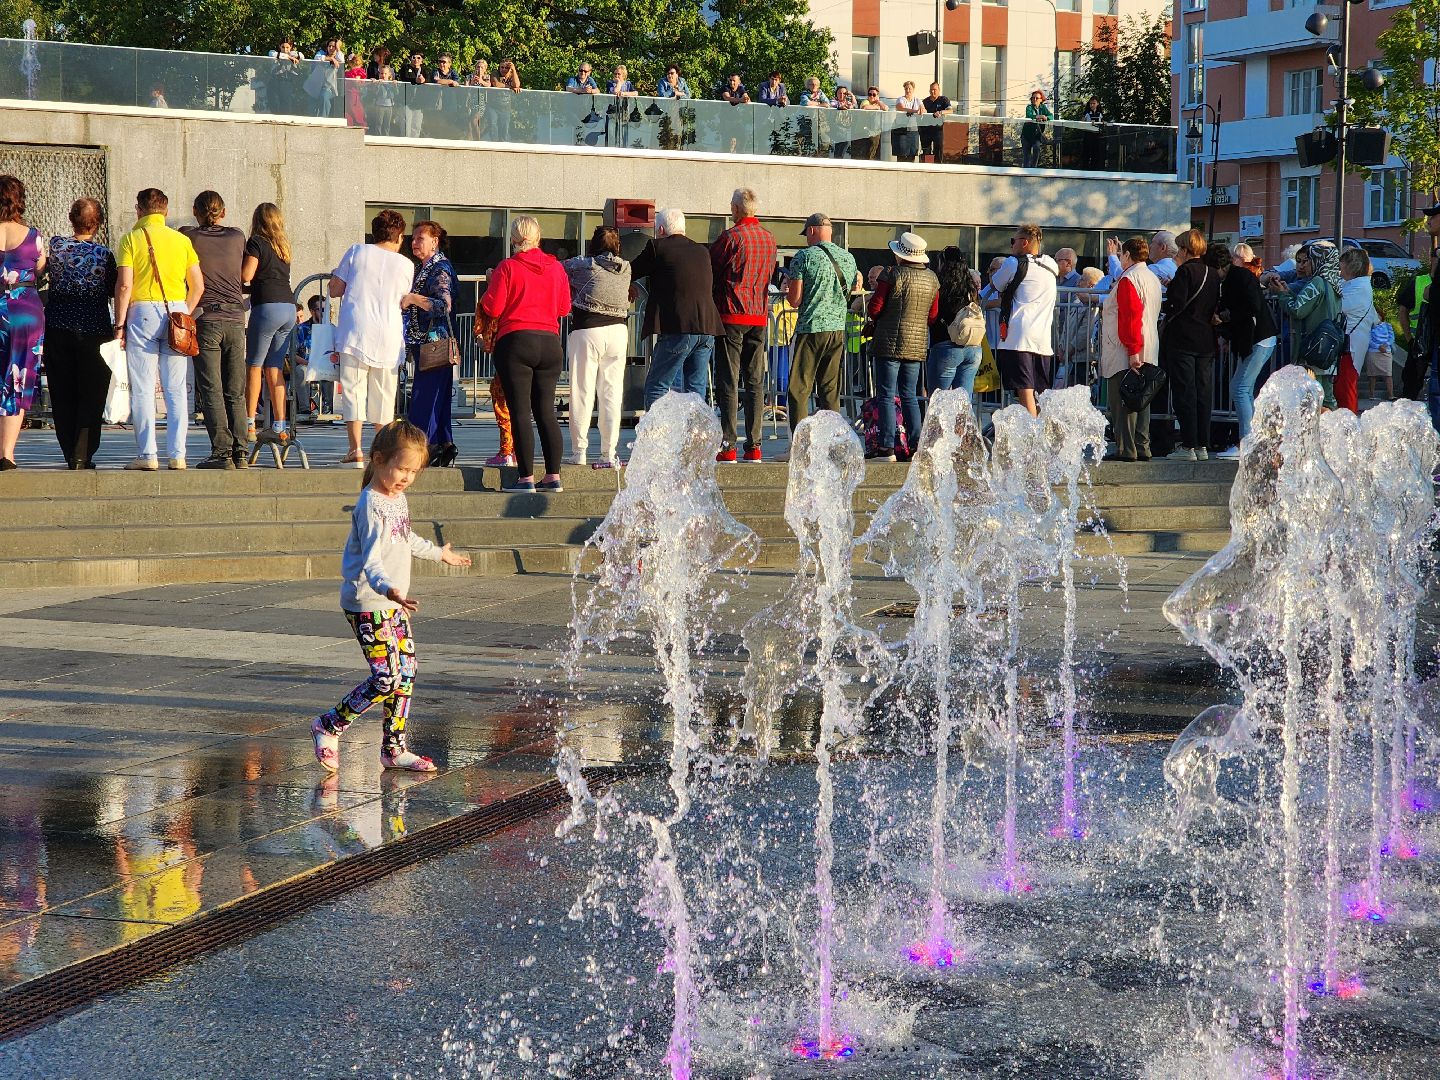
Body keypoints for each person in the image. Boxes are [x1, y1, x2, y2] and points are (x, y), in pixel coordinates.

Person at [310, 419, 471, 776]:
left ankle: (394, 748)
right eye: (402, 469)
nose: (407, 478)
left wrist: (438, 553)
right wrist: (388, 589)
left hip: (391, 603)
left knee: (407, 672)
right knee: (385, 678)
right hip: (368, 601)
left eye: (414, 472)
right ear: (378, 459)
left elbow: (406, 538)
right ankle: (329, 724)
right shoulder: (370, 503)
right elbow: (371, 560)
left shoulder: (397, 498)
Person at [478, 215, 571, 493]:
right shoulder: (556, 269)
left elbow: (493, 308)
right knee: (546, 412)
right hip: (550, 342)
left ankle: (526, 478)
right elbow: (564, 308)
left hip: (516, 341)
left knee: (520, 411)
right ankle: (553, 476)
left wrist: (491, 283)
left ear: (513, 241)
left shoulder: (508, 268)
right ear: (538, 238)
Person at [113, 187, 202, 471]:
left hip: (142, 312)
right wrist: (184, 312)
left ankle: (147, 455)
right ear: (165, 211)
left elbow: (125, 285)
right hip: (176, 309)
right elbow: (198, 286)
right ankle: (178, 454)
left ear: (139, 210)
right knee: (176, 389)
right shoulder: (182, 240)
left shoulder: (130, 239)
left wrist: (119, 324)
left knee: (142, 388)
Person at [331, 208, 415, 467]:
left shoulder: (357, 251)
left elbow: (335, 289)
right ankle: (380, 451)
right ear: (399, 236)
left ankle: (355, 449)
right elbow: (402, 300)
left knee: (353, 390)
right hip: (388, 333)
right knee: (384, 394)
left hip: (356, 330)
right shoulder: (406, 264)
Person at [180, 191, 250, 468]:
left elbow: (185, 231)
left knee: (212, 389)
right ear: (223, 211)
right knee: (235, 391)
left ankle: (221, 452)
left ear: (196, 211)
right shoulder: (237, 236)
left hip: (207, 318)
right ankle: (241, 451)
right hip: (235, 319)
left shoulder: (189, 236)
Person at [44, 197, 115, 470]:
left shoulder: (56, 247)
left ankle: (67, 449)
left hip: (58, 324)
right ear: (98, 223)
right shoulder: (105, 255)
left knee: (62, 391)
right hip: (94, 328)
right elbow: (111, 289)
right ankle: (82, 454)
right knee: (92, 392)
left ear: (71, 219)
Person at [710, 188, 777, 463]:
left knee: (728, 380)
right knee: (754, 381)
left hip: (731, 313)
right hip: (758, 315)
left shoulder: (731, 237)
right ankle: (755, 445)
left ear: (737, 209)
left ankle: (728, 446)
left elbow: (712, 268)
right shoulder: (769, 239)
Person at [632, 208, 723, 407]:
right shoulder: (702, 250)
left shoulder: (658, 247)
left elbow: (630, 271)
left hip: (678, 327)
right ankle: (696, 437)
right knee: (696, 390)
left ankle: (656, 436)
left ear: (661, 229)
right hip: (707, 328)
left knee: (658, 385)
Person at [563, 226, 632, 469]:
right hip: (618, 332)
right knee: (612, 394)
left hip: (587, 330)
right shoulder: (626, 268)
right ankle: (608, 452)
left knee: (581, 391)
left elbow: (561, 268)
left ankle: (579, 451)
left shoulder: (584, 264)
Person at [866, 232, 939, 460]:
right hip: (916, 345)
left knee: (886, 395)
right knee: (910, 395)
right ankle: (916, 445)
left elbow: (875, 308)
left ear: (901, 255)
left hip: (888, 342)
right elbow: (933, 315)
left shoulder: (891, 274)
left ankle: (887, 447)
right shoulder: (932, 279)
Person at [786, 212, 861, 431]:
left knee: (799, 388)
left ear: (811, 231)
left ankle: (801, 444)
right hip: (837, 329)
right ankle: (831, 440)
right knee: (830, 389)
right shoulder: (848, 258)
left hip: (811, 327)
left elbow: (795, 300)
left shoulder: (804, 257)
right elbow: (855, 288)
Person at [1160, 229, 1222, 460]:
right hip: (1205, 340)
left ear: (1185, 249)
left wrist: (1163, 299)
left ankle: (1187, 445)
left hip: (1183, 339)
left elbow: (1176, 304)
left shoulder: (1184, 271)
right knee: (1203, 393)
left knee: (1184, 392)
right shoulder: (1212, 273)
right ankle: (1202, 446)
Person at [1099, 237, 1161, 462]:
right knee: (1143, 397)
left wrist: (1132, 351)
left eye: (1122, 255)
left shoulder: (1129, 279)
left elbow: (1130, 317)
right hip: (1149, 343)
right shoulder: (1151, 277)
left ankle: (1126, 449)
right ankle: (1142, 446)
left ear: (1127, 256)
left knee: (1123, 398)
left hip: (1127, 347)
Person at [403, 220, 459, 467]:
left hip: (434, 344)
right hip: (427, 344)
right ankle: (443, 444)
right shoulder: (425, 267)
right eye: (413, 238)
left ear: (435, 241)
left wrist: (413, 298)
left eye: (420, 238)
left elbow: (443, 304)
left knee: (426, 396)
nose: (414, 243)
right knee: (435, 396)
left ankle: (425, 447)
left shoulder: (439, 269)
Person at [1213, 242, 1276, 458]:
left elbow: (1250, 307)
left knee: (1239, 388)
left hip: (1258, 339)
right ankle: (1253, 440)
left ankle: (1247, 443)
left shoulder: (1237, 278)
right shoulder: (1239, 277)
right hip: (1259, 339)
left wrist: (1224, 317)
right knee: (1244, 389)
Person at [991, 222, 1060, 416]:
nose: (1011, 245)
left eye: (1013, 241)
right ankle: (1043, 432)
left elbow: (996, 284)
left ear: (1024, 242)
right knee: (1040, 392)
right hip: (1043, 338)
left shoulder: (1013, 263)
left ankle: (1032, 437)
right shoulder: (1051, 264)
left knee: (1024, 389)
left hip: (1018, 335)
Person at [0, 175, 44, 471]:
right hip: (26, 311)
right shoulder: (33, 235)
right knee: (18, 376)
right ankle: (7, 453)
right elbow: (39, 268)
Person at [1268, 241, 1343, 410]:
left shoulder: (1317, 282)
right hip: (1328, 349)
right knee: (1327, 399)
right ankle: (1331, 433)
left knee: (1313, 401)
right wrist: (1288, 292)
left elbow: (1297, 310)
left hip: (1313, 351)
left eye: (1309, 260)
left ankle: (1320, 435)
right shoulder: (1334, 283)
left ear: (1318, 261)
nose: (1304, 265)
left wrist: (1282, 295)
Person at [926, 246, 983, 402]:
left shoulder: (940, 286)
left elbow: (933, 316)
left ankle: (940, 428)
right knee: (963, 405)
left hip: (946, 345)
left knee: (939, 402)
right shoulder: (970, 287)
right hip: (973, 347)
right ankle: (963, 427)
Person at [1337, 246, 1375, 414]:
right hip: (1350, 344)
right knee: (1345, 388)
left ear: (1351, 265)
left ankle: (1349, 427)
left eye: (1342, 263)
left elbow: (1337, 307)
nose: (1339, 268)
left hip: (1350, 346)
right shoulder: (1357, 285)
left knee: (1346, 389)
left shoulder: (1358, 288)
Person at [1364, 295, 1396, 403]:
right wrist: (1378, 346)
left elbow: (1392, 337)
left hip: (1386, 352)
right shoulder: (1369, 327)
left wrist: (1385, 345)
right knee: (1372, 375)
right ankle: (1371, 394)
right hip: (1373, 352)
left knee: (1388, 374)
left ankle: (1391, 394)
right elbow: (1368, 339)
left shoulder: (1387, 325)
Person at [308, 38, 343, 118]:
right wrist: (330, 59)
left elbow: (341, 60)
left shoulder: (338, 57)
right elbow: (317, 58)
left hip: (328, 87)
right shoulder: (321, 53)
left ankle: (324, 119)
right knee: (311, 107)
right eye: (329, 46)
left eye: (333, 46)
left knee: (324, 98)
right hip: (315, 87)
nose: (331, 48)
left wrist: (338, 47)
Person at [489, 59, 521, 141]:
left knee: (504, 129)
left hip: (506, 107)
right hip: (493, 106)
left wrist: (513, 70)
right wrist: (510, 87)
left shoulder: (512, 75)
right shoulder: (495, 73)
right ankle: (493, 145)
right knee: (493, 125)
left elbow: (517, 84)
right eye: (501, 67)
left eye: (506, 68)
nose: (503, 69)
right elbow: (496, 84)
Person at [920, 82, 952, 163]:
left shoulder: (943, 99)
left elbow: (950, 110)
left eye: (934, 90)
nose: (933, 92)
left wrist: (941, 112)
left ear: (939, 90)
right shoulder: (925, 101)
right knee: (926, 152)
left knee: (938, 151)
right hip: (926, 130)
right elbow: (920, 111)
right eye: (931, 90)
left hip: (938, 130)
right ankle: (927, 169)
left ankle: (937, 169)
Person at [854, 86, 887, 160]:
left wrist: (879, 102)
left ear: (877, 96)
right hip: (861, 132)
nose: (871, 96)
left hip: (874, 132)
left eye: (874, 94)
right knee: (861, 156)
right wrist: (877, 107)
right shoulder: (865, 101)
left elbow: (885, 108)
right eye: (870, 94)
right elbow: (865, 107)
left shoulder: (878, 103)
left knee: (871, 155)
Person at [399, 51, 428, 138]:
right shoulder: (405, 67)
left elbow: (429, 80)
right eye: (414, 57)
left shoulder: (424, 70)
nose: (416, 60)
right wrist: (415, 81)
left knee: (416, 125)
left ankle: (415, 144)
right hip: (407, 100)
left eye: (419, 58)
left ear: (422, 60)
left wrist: (423, 81)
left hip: (418, 102)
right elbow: (404, 78)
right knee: (406, 124)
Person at [892, 81, 922, 163]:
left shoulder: (917, 100)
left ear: (913, 89)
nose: (908, 90)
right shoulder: (900, 99)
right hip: (901, 130)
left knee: (912, 155)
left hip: (913, 131)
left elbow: (923, 110)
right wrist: (915, 111)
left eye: (910, 88)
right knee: (901, 155)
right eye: (906, 88)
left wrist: (922, 110)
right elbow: (900, 108)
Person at [1021, 90, 1052, 168]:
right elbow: (1029, 115)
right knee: (1026, 157)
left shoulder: (1043, 107)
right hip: (1026, 136)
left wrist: (1046, 117)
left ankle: (1033, 171)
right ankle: (1026, 173)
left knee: (1036, 149)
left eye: (1036, 98)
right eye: (1033, 98)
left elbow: (1051, 116)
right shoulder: (1029, 107)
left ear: (1041, 100)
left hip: (1036, 136)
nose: (1034, 99)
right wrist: (1039, 117)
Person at [1080, 96, 1107, 170]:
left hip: (1097, 136)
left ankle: (1094, 169)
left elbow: (1102, 122)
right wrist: (1088, 123)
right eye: (1090, 103)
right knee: (1086, 153)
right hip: (1088, 135)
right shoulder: (1086, 113)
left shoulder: (1100, 113)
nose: (1092, 105)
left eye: (1093, 103)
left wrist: (1103, 123)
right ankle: (1085, 169)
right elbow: (1081, 122)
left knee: (1096, 153)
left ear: (1097, 104)